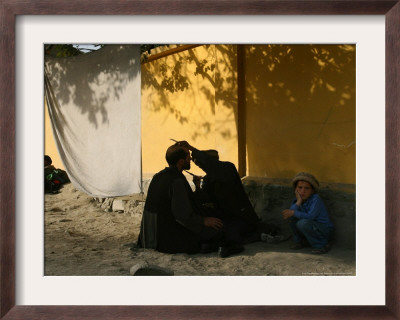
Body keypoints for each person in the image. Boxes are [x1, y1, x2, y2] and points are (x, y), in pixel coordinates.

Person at [137, 143, 244, 257]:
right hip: (165, 239)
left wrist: (197, 187)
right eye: (188, 156)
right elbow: (182, 216)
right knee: (220, 229)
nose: (191, 159)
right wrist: (204, 221)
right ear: (181, 161)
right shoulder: (177, 181)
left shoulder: (159, 176)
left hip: (149, 236)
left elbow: (184, 202)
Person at [177, 141, 280, 245]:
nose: (200, 166)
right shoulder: (209, 178)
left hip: (240, 217)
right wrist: (198, 186)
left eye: (200, 163)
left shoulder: (228, 168)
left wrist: (191, 148)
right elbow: (205, 198)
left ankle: (260, 233)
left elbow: (210, 164)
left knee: (231, 234)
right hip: (224, 216)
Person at [281, 172, 334, 254]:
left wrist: (293, 212)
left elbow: (311, 216)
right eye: (300, 187)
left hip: (323, 230)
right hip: (310, 228)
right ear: (296, 189)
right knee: (292, 217)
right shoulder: (297, 200)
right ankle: (299, 242)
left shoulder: (316, 199)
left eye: (307, 188)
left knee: (302, 223)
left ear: (312, 191)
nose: (303, 191)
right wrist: (298, 201)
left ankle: (321, 245)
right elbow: (290, 214)